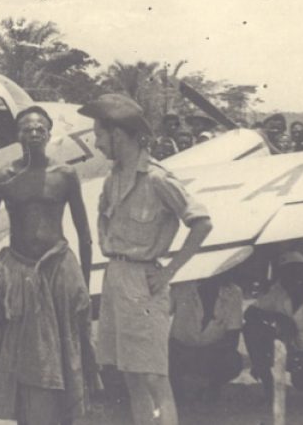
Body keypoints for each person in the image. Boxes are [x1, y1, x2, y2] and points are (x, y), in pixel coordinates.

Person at [79, 94, 212, 425]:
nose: (97, 144)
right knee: (130, 375)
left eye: (99, 135)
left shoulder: (157, 178)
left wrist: (170, 272)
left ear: (118, 135)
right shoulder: (113, 179)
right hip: (115, 278)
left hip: (143, 281)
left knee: (154, 377)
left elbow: (201, 222)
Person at [0, 106, 98, 424]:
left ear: (49, 133)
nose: (33, 133)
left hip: (59, 270)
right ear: (17, 135)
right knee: (22, 360)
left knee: (66, 351)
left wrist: (84, 286)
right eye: (26, 128)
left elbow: (84, 233)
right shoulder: (2, 177)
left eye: (39, 128)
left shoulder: (65, 175)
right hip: (17, 273)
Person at [244, 251, 303, 404]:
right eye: (287, 274)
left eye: (297, 273)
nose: (293, 279)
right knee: (251, 328)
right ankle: (269, 386)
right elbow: (250, 313)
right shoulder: (278, 292)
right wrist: (278, 317)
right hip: (289, 351)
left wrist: (296, 360)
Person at [168, 271, 244, 405]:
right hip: (179, 350)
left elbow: (232, 339)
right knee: (165, 354)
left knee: (233, 360)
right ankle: (176, 391)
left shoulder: (234, 293)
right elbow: (160, 313)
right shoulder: (181, 287)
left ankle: (213, 387)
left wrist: (205, 355)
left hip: (211, 351)